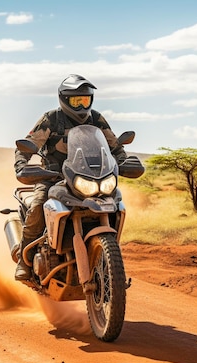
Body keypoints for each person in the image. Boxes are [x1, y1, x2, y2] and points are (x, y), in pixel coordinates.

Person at [13, 74, 129, 282]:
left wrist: (123, 160)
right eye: (77, 100)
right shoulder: (51, 119)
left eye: (85, 100)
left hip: (90, 178)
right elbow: (28, 144)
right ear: (64, 100)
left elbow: (114, 145)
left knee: (116, 202)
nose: (82, 105)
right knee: (39, 205)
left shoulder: (97, 119)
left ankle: (108, 258)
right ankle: (25, 260)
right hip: (52, 176)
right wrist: (22, 164)